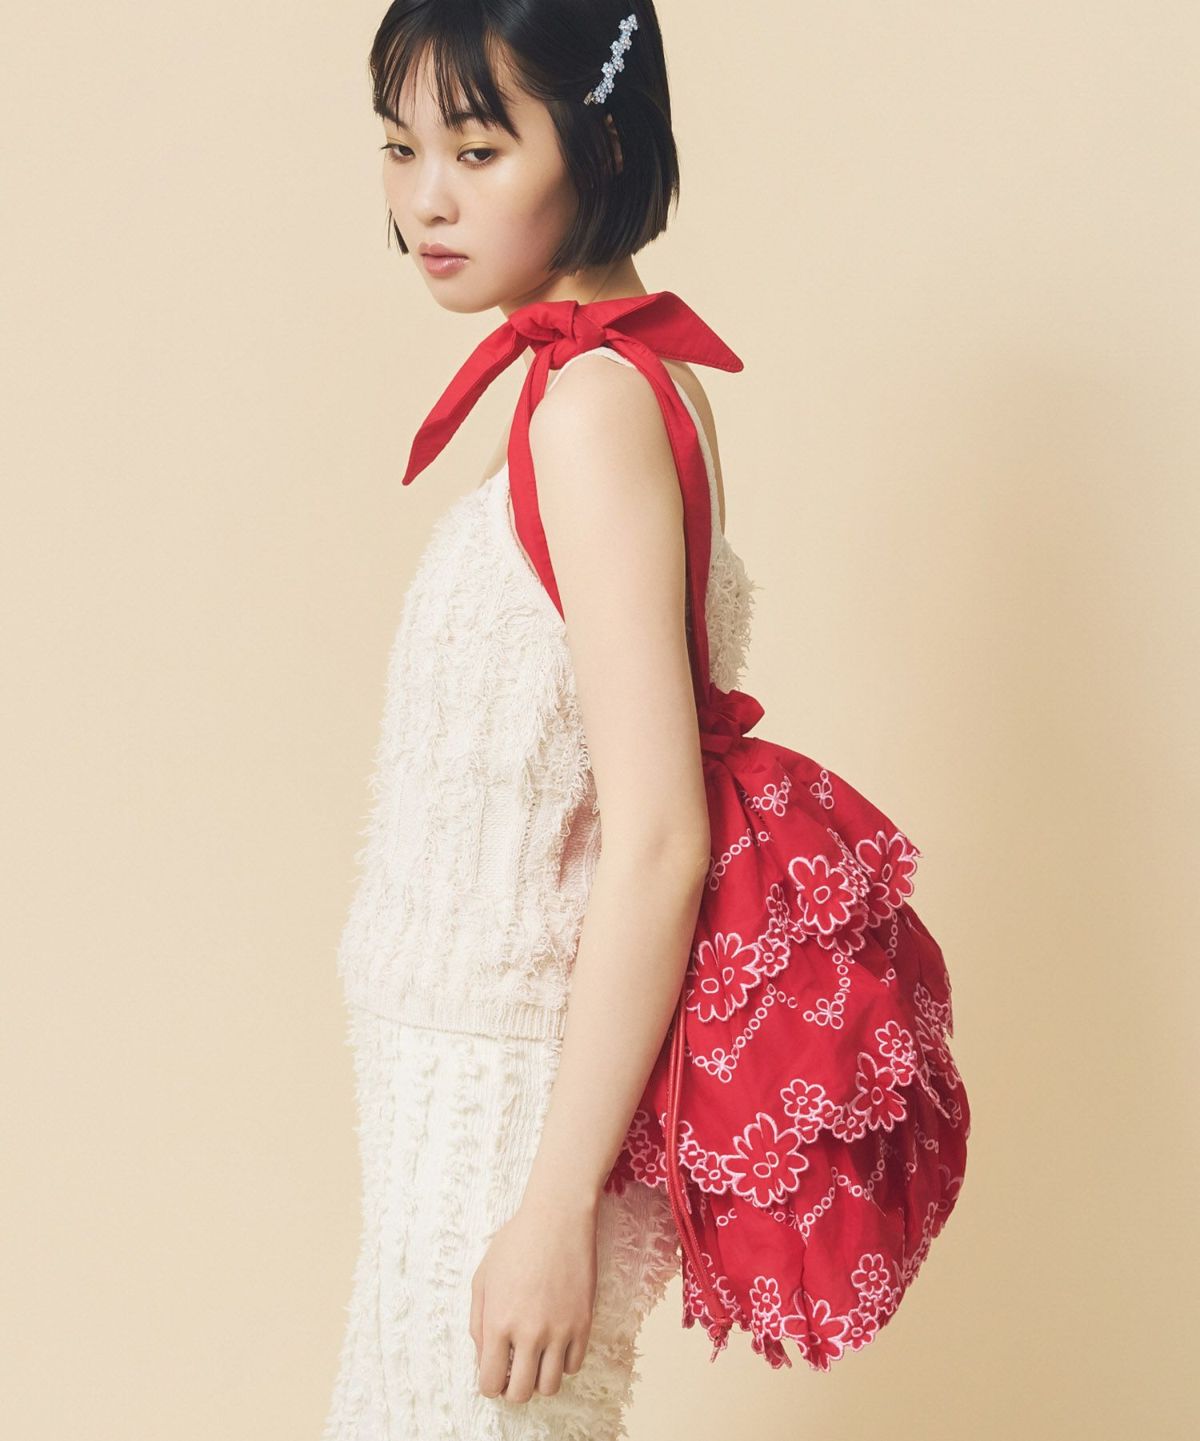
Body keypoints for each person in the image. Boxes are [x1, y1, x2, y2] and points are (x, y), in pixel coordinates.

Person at [322, 4, 757, 1436]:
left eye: (477, 146)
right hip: (459, 1101)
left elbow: (659, 837)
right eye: (400, 148)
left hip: (512, 1123)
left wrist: (555, 1204)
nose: (427, 199)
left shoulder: (595, 406)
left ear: (603, 143)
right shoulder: (596, 385)